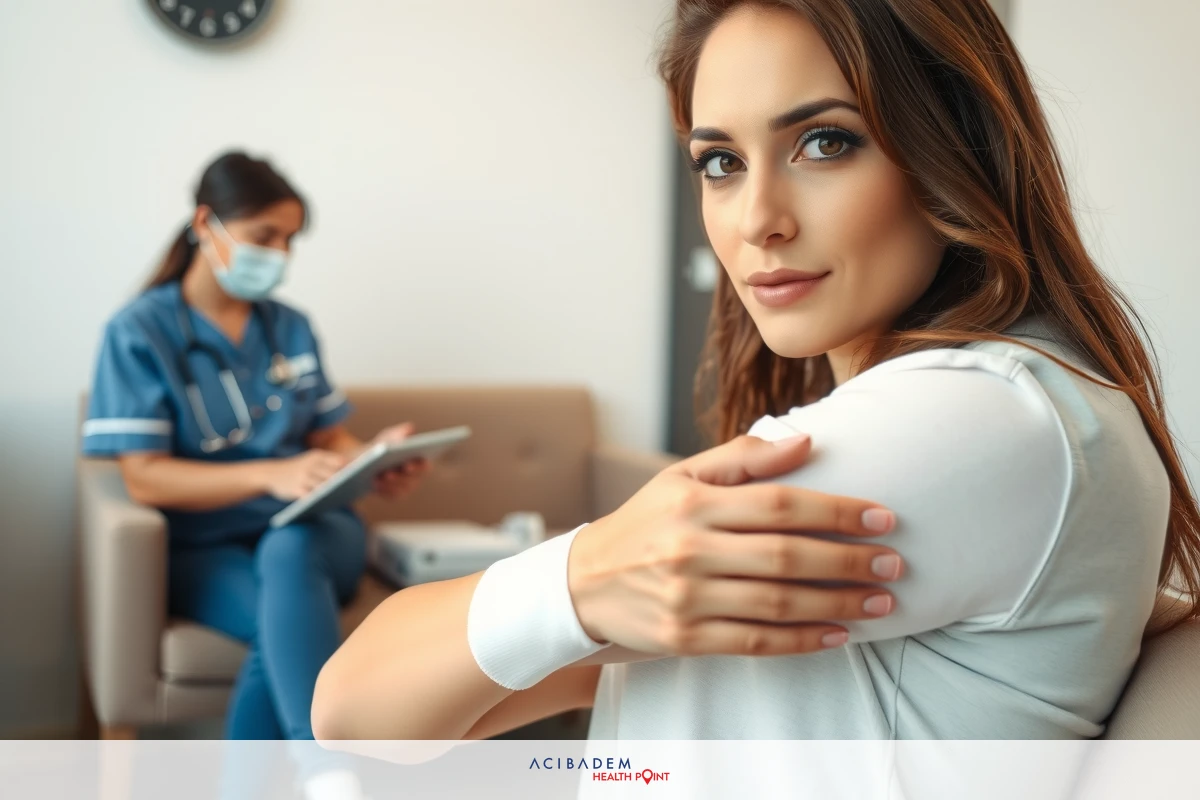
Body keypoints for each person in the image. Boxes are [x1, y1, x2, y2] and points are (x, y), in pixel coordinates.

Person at [311, 0, 1200, 746]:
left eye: (824, 143)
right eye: (721, 163)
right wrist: (591, 583)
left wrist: (582, 581)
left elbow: (350, 706)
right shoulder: (1019, 404)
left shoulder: (977, 421)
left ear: (955, 147)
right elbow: (388, 720)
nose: (756, 219)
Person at [82, 152, 425, 797]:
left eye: (291, 241)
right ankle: (327, 771)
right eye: (266, 236)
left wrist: (373, 458)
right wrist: (271, 474)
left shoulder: (289, 327)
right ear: (205, 224)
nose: (281, 254)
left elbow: (329, 438)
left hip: (320, 536)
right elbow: (146, 479)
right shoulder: (139, 333)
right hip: (204, 551)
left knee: (290, 546)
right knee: (281, 628)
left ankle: (324, 771)